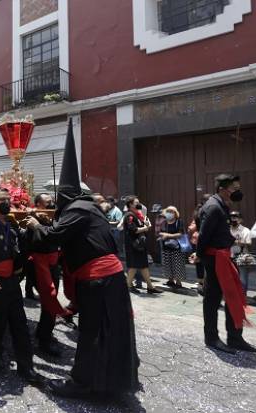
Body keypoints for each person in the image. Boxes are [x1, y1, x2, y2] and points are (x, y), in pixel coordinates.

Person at [26, 119, 139, 398]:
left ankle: (82, 384)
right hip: (111, 277)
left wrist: (33, 226)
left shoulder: (76, 209)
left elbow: (53, 237)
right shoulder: (90, 208)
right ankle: (113, 381)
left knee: (93, 332)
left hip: (98, 281)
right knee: (111, 329)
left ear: (64, 196)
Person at [0, 187, 44, 385]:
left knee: (20, 324)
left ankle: (27, 366)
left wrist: (33, 227)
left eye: (9, 199)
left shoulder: (10, 223)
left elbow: (19, 247)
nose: (7, 203)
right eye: (2, 200)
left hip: (11, 281)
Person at [196, 174, 256, 353]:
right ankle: (211, 337)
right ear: (223, 189)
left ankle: (235, 337)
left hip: (224, 257)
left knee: (232, 295)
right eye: (234, 188)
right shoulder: (213, 207)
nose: (237, 191)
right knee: (213, 299)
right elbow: (203, 235)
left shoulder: (222, 205)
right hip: (215, 259)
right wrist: (200, 256)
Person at [25, 192, 73, 356]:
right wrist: (41, 226)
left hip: (53, 264)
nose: (51, 205)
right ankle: (44, 341)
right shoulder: (31, 219)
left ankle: (43, 332)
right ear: (38, 204)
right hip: (38, 264)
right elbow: (34, 241)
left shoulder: (56, 218)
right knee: (48, 300)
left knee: (50, 300)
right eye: (47, 203)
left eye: (52, 202)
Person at [123, 196, 162, 294]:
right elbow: (133, 230)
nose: (139, 204)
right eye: (136, 202)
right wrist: (146, 227)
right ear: (131, 204)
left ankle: (150, 286)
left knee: (144, 265)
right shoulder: (129, 216)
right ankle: (128, 285)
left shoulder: (138, 215)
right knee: (133, 266)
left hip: (140, 245)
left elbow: (143, 227)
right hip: (133, 246)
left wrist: (146, 225)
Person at [229, 211, 256, 297]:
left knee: (242, 278)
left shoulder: (245, 230)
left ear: (241, 220)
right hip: (228, 256)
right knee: (230, 276)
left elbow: (248, 242)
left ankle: (242, 295)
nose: (233, 219)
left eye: (235, 217)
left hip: (241, 256)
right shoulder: (227, 229)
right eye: (231, 217)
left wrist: (235, 242)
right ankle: (231, 294)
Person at [159, 206, 187, 289]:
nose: (169, 213)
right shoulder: (164, 222)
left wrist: (168, 235)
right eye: (168, 211)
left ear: (175, 213)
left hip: (177, 247)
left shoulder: (179, 221)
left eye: (171, 211)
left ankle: (178, 282)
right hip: (166, 246)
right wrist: (162, 235)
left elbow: (180, 234)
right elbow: (160, 232)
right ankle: (170, 280)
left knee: (177, 264)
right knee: (167, 264)